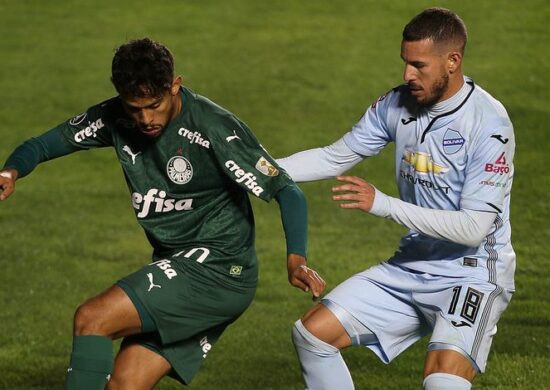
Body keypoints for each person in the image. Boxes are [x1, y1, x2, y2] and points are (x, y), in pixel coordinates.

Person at [0, 37, 325, 389]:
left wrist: (296, 261)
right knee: (123, 384)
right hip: (176, 264)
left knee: (91, 319)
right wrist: (11, 171)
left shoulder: (214, 127)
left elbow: (288, 191)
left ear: (175, 86)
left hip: (217, 270)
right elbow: (45, 143)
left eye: (153, 105)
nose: (145, 119)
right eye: (134, 108)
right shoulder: (117, 117)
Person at [277, 7, 515, 390]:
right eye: (405, 63)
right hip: (413, 263)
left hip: (471, 272)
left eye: (419, 65)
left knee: (441, 381)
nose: (407, 75)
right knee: (312, 335)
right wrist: (257, 169)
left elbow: (474, 228)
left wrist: (382, 204)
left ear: (453, 61)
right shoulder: (396, 104)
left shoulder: (488, 124)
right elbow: (335, 156)